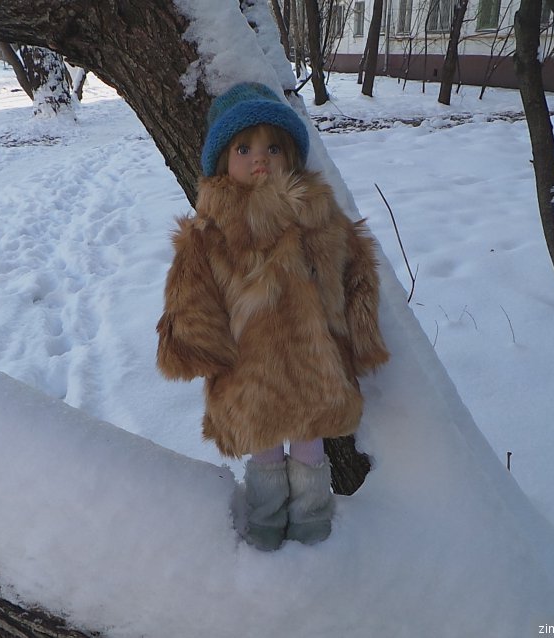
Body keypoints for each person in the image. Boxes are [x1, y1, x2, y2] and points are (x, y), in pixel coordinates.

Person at [156, 82, 389, 551]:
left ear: (291, 156)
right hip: (249, 368)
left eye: (273, 147)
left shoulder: (316, 214)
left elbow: (357, 272)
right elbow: (192, 289)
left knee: (309, 442)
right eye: (244, 148)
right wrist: (196, 344)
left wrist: (359, 340)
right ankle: (264, 523)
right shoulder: (213, 228)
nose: (260, 159)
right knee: (263, 447)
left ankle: (311, 518)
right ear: (224, 160)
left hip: (312, 362)